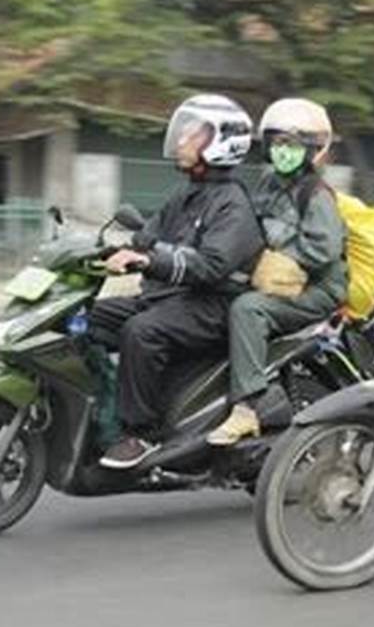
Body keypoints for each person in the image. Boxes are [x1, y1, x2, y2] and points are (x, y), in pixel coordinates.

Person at [89, 94, 264, 469]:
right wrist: (105, 250)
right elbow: (147, 237)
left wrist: (149, 261)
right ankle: (102, 410)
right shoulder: (185, 193)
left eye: (193, 135)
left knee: (141, 331)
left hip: (214, 305)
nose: (181, 140)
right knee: (90, 318)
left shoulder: (232, 203)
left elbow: (211, 265)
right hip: (173, 298)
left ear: (221, 143)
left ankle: (142, 434)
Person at [207, 98, 348, 445]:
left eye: (294, 144)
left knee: (247, 309)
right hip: (275, 281)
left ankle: (246, 408)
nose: (284, 151)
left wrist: (280, 259)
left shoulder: (316, 195)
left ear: (313, 149)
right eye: (278, 143)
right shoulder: (268, 185)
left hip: (316, 290)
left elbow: (324, 248)